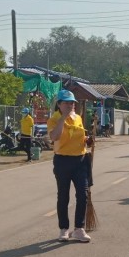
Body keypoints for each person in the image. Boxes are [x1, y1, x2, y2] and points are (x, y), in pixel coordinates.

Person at [47, 90, 92, 243]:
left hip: (80, 160)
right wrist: (63, 118)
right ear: (59, 104)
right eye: (66, 102)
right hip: (62, 161)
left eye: (72, 102)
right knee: (63, 196)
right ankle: (64, 229)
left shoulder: (78, 117)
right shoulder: (53, 120)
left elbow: (80, 136)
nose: (71, 105)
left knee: (83, 195)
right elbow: (54, 137)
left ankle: (79, 228)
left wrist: (87, 139)